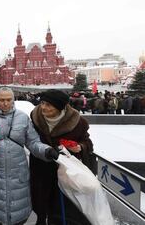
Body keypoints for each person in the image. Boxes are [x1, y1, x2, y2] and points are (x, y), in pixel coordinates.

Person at [0, 86, 59, 225]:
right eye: (2, 100)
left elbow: (33, 142)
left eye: (9, 100)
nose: (5, 103)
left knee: (18, 215)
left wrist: (46, 151)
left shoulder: (22, 117)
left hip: (18, 173)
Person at [29, 89, 94, 225]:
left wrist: (79, 147)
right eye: (42, 103)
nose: (43, 108)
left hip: (65, 171)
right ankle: (41, 219)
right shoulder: (35, 118)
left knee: (61, 204)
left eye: (49, 105)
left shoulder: (78, 122)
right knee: (39, 198)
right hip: (41, 167)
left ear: (60, 107)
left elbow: (87, 142)